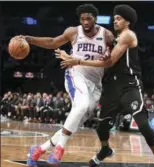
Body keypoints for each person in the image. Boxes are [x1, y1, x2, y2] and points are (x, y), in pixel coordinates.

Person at [55, 4, 154, 167]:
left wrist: (77, 60)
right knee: (101, 126)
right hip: (112, 86)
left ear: (127, 22)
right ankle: (105, 149)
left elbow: (109, 61)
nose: (115, 21)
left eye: (119, 18)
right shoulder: (114, 40)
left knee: (143, 125)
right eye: (114, 18)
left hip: (130, 85)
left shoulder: (128, 35)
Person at [19, 4, 114, 166]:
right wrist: (30, 39)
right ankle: (59, 149)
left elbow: (112, 57)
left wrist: (109, 54)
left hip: (95, 83)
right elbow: (52, 42)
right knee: (82, 105)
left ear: (95, 19)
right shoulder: (73, 32)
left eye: (88, 18)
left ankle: (38, 150)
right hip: (75, 74)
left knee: (76, 121)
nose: (85, 21)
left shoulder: (107, 35)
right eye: (82, 18)